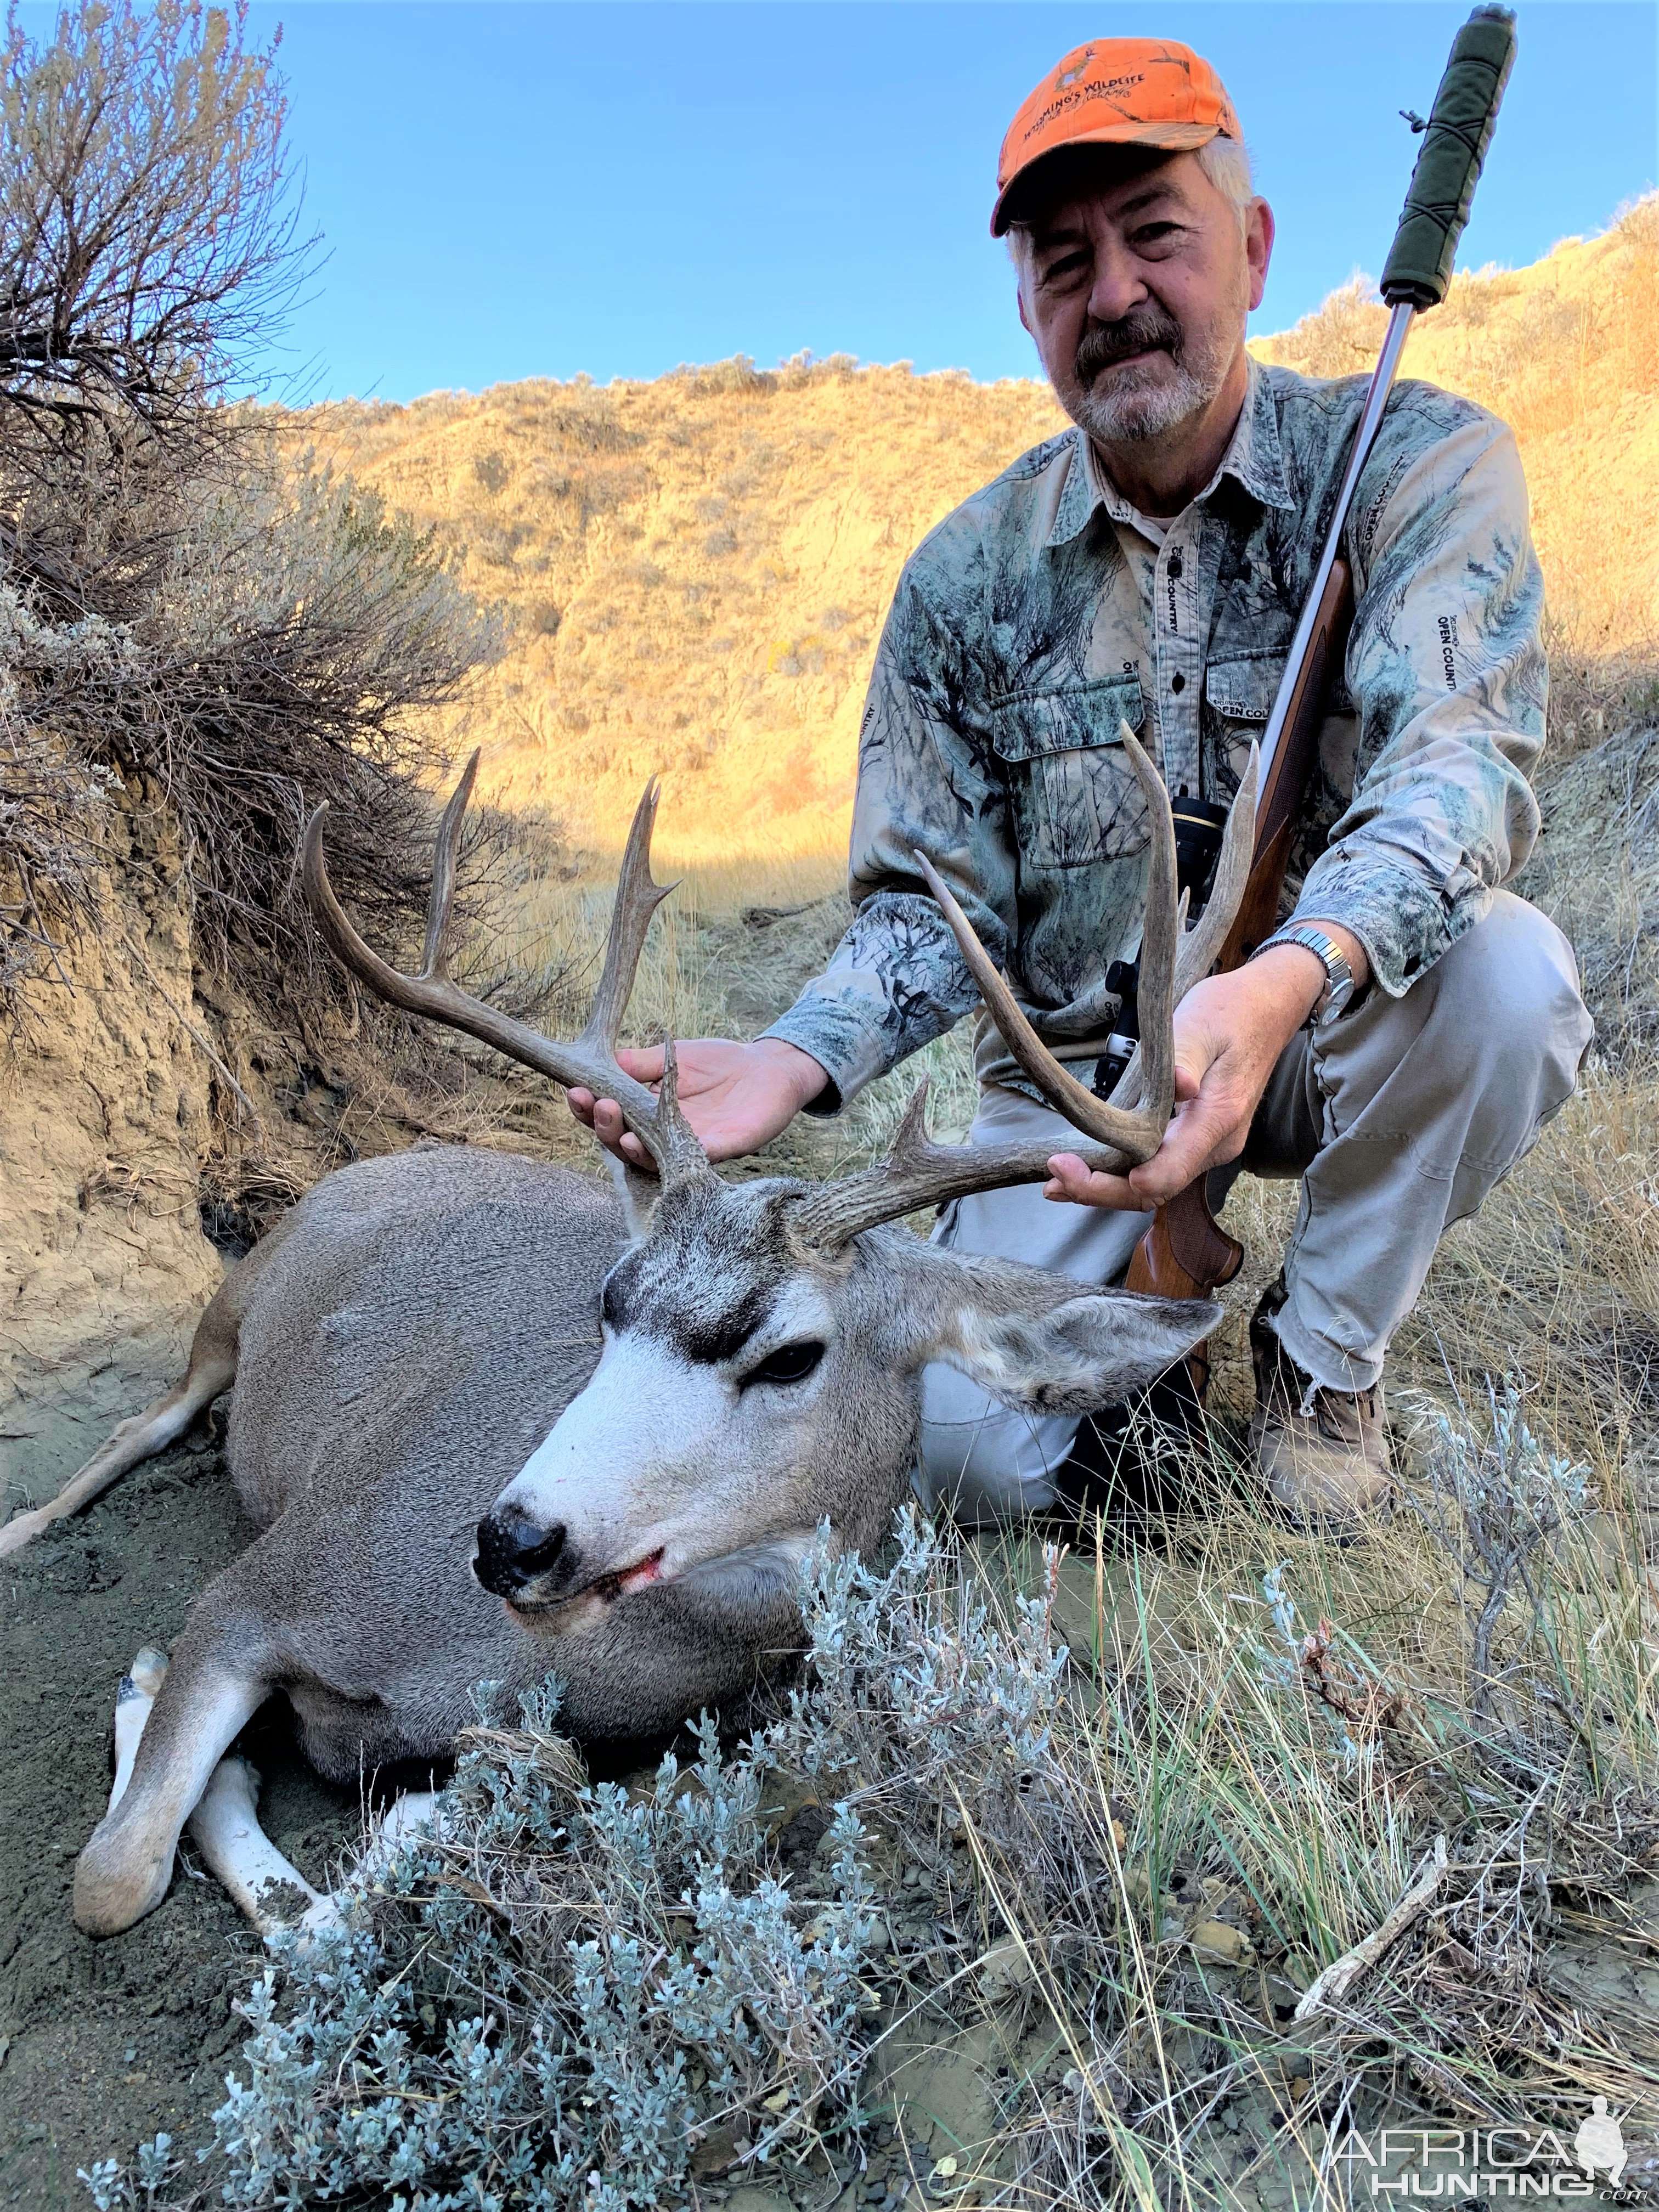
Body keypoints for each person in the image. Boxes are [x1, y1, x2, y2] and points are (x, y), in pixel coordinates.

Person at [569, 37, 1592, 1531]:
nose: (1113, 292)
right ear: (1030, 308)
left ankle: (1320, 1365)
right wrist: (801, 1054)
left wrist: (1290, 974)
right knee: (964, 1467)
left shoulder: (1419, 467)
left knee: (1512, 982)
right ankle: (1139, 1343)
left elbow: (1461, 766)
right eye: (1064, 262)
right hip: (1057, 1092)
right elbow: (931, 904)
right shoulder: (965, 578)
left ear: (1250, 249)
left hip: (1315, 1035)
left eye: (1156, 235)